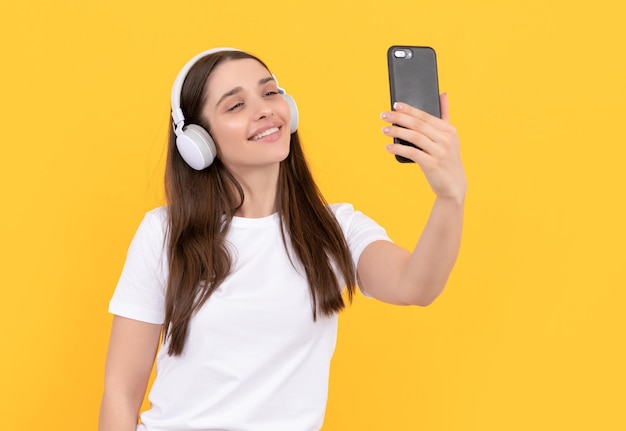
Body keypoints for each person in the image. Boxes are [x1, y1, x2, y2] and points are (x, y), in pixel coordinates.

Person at [98, 47, 466, 431]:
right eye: (236, 105)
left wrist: (450, 196)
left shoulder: (334, 229)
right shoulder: (164, 233)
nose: (264, 110)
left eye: (270, 92)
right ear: (197, 142)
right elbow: (121, 390)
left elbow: (415, 286)